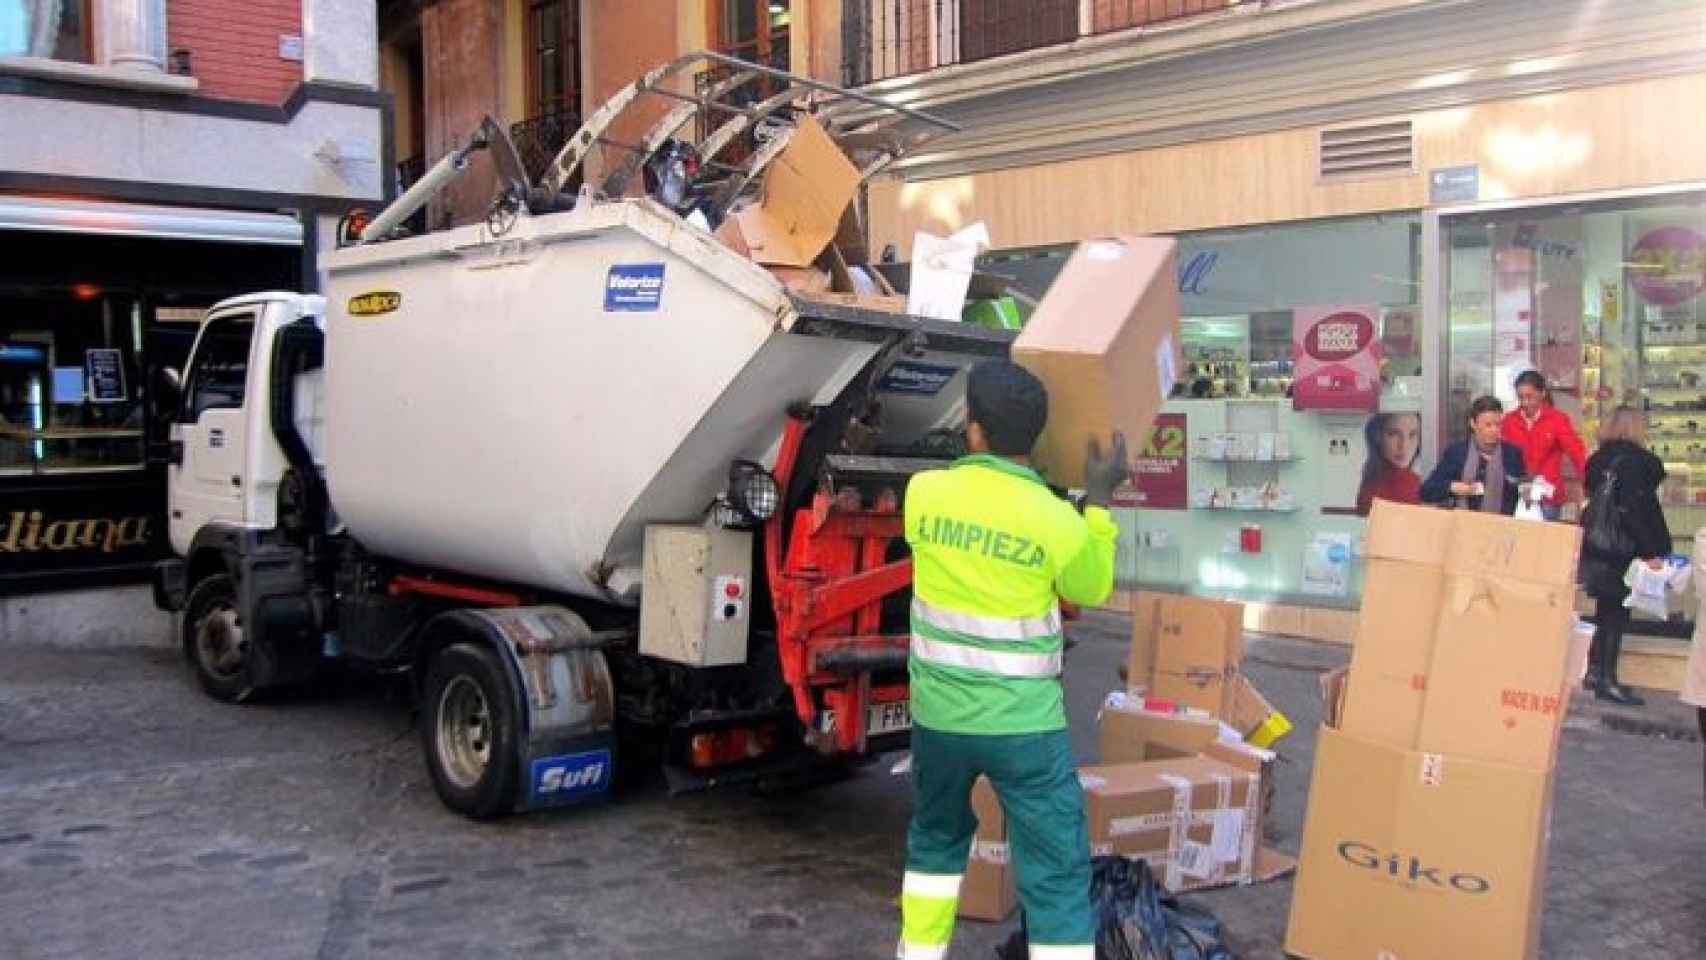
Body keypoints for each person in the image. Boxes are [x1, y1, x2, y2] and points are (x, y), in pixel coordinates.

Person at [897, 360, 1125, 960]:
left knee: (935, 847)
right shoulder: (1056, 520)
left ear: (972, 430)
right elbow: (1092, 585)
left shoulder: (924, 495)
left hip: (940, 721)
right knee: (1053, 871)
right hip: (1024, 728)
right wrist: (1097, 504)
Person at [1579, 406, 1671, 706]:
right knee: (1617, 612)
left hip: (1597, 543)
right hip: (1623, 548)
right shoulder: (1638, 463)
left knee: (1604, 608)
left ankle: (1594, 671)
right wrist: (1650, 552)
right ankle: (1608, 678)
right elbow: (1634, 510)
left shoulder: (1598, 460)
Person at [1502, 370, 1588, 520]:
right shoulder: (1509, 421)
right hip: (1517, 493)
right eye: (1521, 397)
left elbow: (1576, 452)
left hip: (1548, 495)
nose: (1525, 403)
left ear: (1542, 393)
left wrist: (1588, 483)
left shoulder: (1557, 420)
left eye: (1530, 397)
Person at [1421, 395, 1527, 515]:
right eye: (1488, 425)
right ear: (1473, 423)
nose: (1494, 430)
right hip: (1463, 525)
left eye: (1498, 425)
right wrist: (1453, 487)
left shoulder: (1512, 454)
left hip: (1502, 527)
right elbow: (1427, 490)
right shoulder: (1457, 453)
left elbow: (1521, 492)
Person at [1355, 411, 1422, 515]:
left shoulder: (1369, 479)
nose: (1404, 445)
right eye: (1393, 434)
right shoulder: (1412, 483)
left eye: (1413, 435)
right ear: (1377, 437)